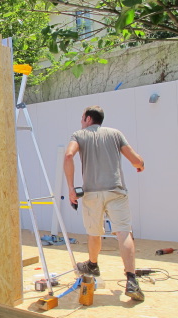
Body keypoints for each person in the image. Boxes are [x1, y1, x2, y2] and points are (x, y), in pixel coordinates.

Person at [64, 105, 145, 301]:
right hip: (115, 191)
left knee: (94, 232)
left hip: (92, 193)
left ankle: (93, 264)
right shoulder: (115, 134)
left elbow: (68, 156)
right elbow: (135, 160)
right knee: (124, 232)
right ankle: (131, 280)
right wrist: (140, 165)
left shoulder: (79, 135)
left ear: (88, 118)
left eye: (82, 117)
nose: (81, 121)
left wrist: (71, 188)